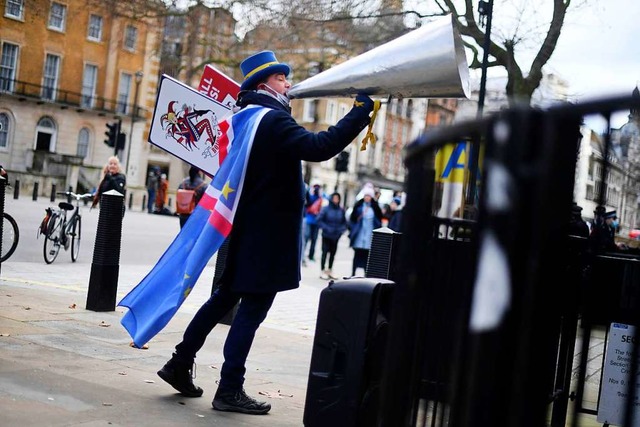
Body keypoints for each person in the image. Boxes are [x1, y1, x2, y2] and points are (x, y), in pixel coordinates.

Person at [156, 50, 374, 415]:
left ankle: (179, 363)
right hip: (267, 238)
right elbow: (319, 147)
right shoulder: (271, 120)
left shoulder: (247, 119)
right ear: (263, 85)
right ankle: (229, 388)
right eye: (281, 78)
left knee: (221, 302)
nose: (288, 84)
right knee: (250, 312)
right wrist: (359, 112)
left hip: (247, 233)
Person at [348, 184, 383, 277]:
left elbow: (379, 221)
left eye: (369, 196)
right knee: (357, 255)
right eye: (365, 195)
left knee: (367, 256)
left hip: (369, 235)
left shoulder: (375, 208)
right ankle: (353, 273)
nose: (367, 197)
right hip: (359, 235)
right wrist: (352, 230)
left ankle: (366, 274)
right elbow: (352, 219)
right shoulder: (358, 206)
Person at [316, 192, 348, 280]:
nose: (336, 200)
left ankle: (330, 270)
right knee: (324, 253)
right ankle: (322, 270)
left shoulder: (341, 210)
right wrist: (326, 228)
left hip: (336, 236)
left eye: (337, 198)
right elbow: (319, 220)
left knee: (333, 254)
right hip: (326, 235)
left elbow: (344, 223)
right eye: (334, 198)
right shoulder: (325, 209)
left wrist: (340, 231)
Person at [303, 180, 324, 263]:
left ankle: (311, 255)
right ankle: (303, 256)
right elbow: (307, 204)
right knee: (306, 238)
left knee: (314, 240)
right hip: (309, 220)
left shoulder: (321, 197)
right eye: (315, 186)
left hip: (316, 221)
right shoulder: (310, 196)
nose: (316, 188)